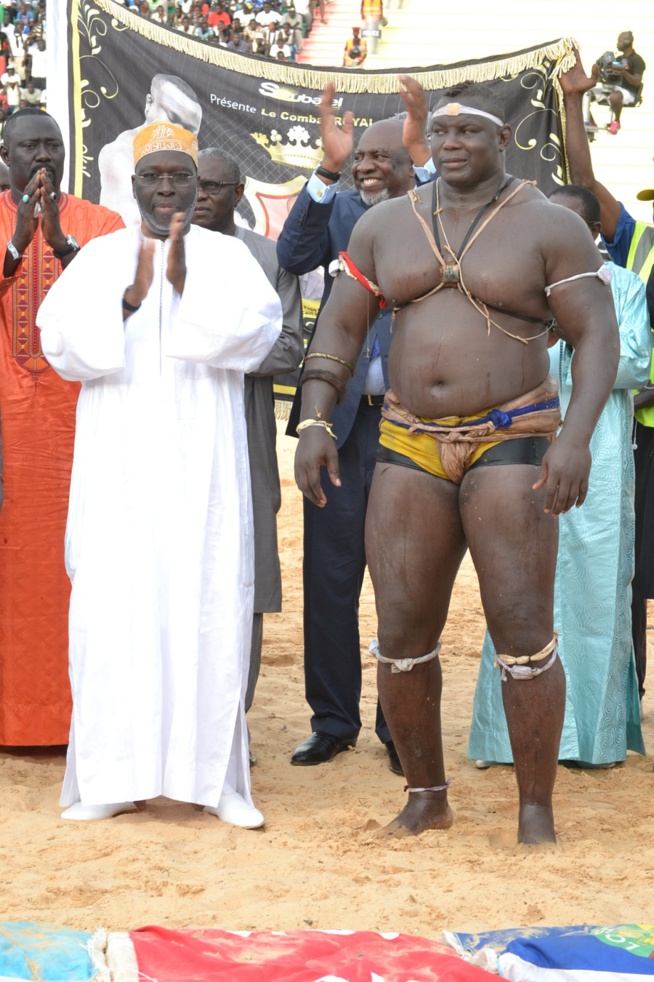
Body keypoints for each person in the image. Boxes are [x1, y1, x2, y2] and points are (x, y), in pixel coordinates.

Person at [293, 79, 620, 845]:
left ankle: (534, 810)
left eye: (468, 131)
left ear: (502, 140)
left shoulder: (547, 226)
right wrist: (313, 418)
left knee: (521, 625)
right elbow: (339, 326)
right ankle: (424, 794)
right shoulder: (383, 225)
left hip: (514, 435)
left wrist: (574, 438)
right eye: (440, 130)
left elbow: (595, 336)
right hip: (407, 438)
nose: (450, 142)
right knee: (401, 630)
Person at [36, 121, 282, 825]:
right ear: (134, 184)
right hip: (120, 469)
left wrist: (182, 288)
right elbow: (61, 343)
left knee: (206, 604)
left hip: (203, 468)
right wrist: (125, 304)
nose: (168, 187)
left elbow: (260, 335)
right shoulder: (100, 257)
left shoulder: (229, 260)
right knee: (118, 611)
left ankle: (215, 782)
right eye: (155, 177)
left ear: (199, 188)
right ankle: (114, 775)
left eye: (181, 177)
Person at [277, 78, 434, 776]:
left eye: (380, 157)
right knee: (332, 578)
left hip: (413, 427)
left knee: (407, 580)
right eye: (360, 158)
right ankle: (333, 721)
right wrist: (327, 166)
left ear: (408, 168)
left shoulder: (437, 216)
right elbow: (289, 254)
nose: (368, 166)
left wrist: (421, 137)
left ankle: (398, 725)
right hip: (337, 428)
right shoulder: (339, 211)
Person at [469, 184, 649, 769]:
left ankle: (589, 742)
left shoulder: (623, 286)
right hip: (523, 444)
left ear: (594, 232)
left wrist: (574, 346)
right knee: (519, 585)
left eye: (569, 223)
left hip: (595, 449)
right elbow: (497, 360)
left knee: (596, 590)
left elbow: (638, 361)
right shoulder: (515, 287)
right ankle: (507, 739)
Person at [0, 108, 124, 746]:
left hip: (84, 428)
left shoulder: (101, 225)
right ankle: (14, 716)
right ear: (6, 154)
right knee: (12, 573)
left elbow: (121, 302)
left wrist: (57, 242)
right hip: (9, 434)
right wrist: (18, 243)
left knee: (82, 568)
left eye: (53, 144)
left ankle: (80, 716)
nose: (42, 156)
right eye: (29, 147)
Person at [192, 147, 303, 729]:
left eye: (215, 185)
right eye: (195, 183)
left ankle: (233, 722)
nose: (202, 195)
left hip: (244, 429)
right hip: (176, 436)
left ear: (239, 193)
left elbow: (289, 347)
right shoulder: (158, 254)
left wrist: (209, 346)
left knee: (246, 564)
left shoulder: (268, 259)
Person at [560, 51, 654, 706]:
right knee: (631, 569)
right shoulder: (640, 243)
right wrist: (573, 106)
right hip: (640, 430)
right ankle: (626, 695)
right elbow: (585, 188)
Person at [98, 74, 202, 226]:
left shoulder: (194, 160)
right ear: (149, 104)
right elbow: (134, 223)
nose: (178, 133)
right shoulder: (119, 154)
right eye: (172, 118)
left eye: (189, 129)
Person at [590, 32, 645, 135]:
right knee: (585, 95)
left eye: (619, 41)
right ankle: (591, 123)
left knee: (615, 97)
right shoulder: (618, 59)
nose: (617, 43)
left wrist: (623, 72)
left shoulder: (637, 60)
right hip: (612, 88)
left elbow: (637, 82)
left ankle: (617, 121)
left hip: (628, 92)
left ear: (627, 42)